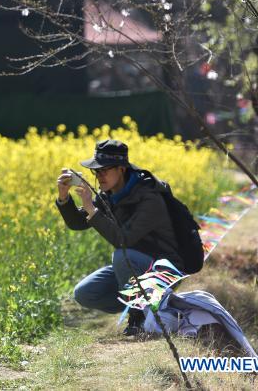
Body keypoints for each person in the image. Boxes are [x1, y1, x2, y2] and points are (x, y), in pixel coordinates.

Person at [56, 139, 181, 335]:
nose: (99, 176)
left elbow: (123, 240)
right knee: (85, 293)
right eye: (96, 171)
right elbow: (78, 223)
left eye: (104, 170)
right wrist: (64, 198)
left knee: (122, 256)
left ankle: (139, 316)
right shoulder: (109, 193)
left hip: (164, 268)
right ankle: (147, 305)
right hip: (133, 267)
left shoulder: (151, 193)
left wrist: (91, 207)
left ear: (121, 169)